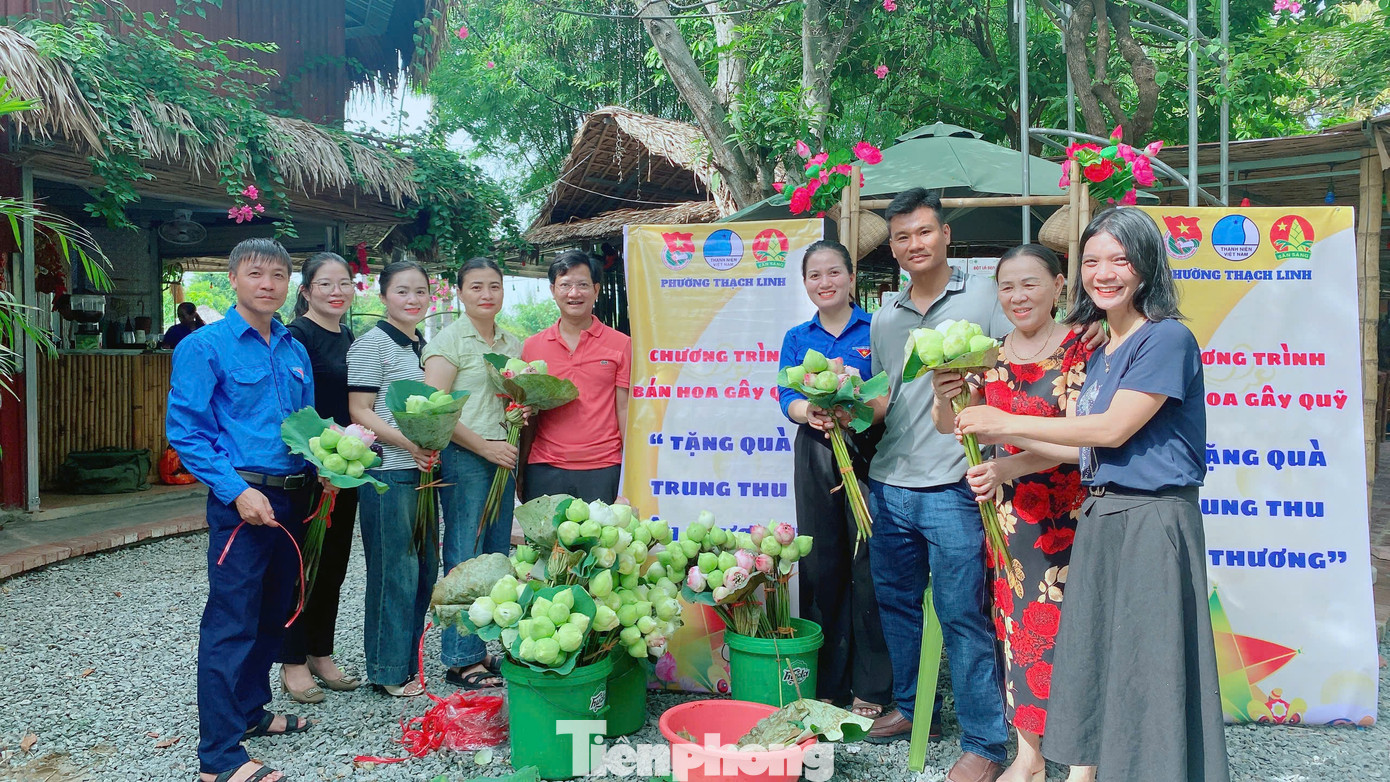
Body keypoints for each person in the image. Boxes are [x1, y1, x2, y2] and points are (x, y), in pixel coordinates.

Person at [955, 208, 1229, 782]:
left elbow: (1109, 432)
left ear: (1147, 264)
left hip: (1154, 518)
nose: (1104, 273)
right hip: (1103, 512)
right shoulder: (1105, 349)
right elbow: (1080, 449)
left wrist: (1003, 424)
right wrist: (1007, 464)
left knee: (1150, 664)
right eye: (1094, 261)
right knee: (1106, 658)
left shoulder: (1166, 338)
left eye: (1120, 259)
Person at [861, 188, 1016, 782]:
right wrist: (836, 408)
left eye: (923, 232)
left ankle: (984, 742)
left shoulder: (986, 296)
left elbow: (1015, 370)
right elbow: (888, 399)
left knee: (962, 615)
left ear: (945, 234)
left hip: (956, 483)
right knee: (896, 607)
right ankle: (908, 705)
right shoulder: (884, 315)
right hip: (890, 481)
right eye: (901, 237)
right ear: (893, 247)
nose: (913, 244)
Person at [930, 244, 1090, 782]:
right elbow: (956, 425)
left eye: (1030, 284)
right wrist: (941, 392)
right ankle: (1031, 756)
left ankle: (1085, 762)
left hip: (1070, 522)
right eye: (1007, 287)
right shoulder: (988, 354)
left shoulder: (1080, 350)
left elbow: (1083, 443)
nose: (1018, 297)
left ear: (1059, 285)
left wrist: (1007, 467)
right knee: (1017, 633)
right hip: (1009, 524)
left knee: (1080, 635)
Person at [167, 238, 322, 782]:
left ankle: (251, 712)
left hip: (293, 494)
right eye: (256, 274)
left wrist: (328, 460)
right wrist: (235, 491)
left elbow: (307, 425)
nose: (268, 284)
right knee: (230, 623)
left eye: (279, 276)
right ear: (232, 278)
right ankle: (218, 759)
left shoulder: (293, 346)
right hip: (243, 501)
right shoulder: (204, 346)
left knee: (271, 613)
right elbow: (186, 431)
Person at [776, 239, 894, 726]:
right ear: (805, 284)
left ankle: (872, 685)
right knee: (822, 564)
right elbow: (785, 394)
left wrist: (855, 410)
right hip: (817, 452)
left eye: (833, 273)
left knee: (869, 564)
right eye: (814, 276)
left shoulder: (877, 328)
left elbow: (888, 388)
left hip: (867, 451)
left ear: (850, 277)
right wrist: (812, 411)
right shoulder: (797, 336)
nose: (824, 283)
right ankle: (826, 681)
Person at [422, 256, 522, 689]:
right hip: (467, 457)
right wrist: (485, 447)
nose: (486, 294)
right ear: (459, 293)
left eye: (494, 286)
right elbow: (433, 410)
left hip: (503, 456)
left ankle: (486, 646)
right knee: (465, 555)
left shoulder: (512, 343)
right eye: (476, 286)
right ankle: (461, 658)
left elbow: (515, 396)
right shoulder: (450, 341)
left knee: (497, 554)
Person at [347, 260, 439, 698]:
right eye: (403, 291)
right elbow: (360, 411)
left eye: (420, 291)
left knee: (424, 570)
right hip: (386, 473)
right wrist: (408, 444)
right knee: (393, 572)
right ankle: (386, 670)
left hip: (421, 472)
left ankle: (405, 661)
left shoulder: (423, 345)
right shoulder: (371, 346)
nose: (413, 299)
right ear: (383, 297)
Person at [277, 252, 362, 704]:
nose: (336, 291)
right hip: (308, 469)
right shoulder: (295, 338)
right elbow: (293, 410)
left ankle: (320, 652)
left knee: (333, 564)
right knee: (301, 567)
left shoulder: (349, 336)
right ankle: (292, 660)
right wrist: (318, 464)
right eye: (325, 284)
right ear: (306, 291)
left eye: (344, 283)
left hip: (345, 469)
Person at [518, 250, 630, 503]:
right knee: (543, 544)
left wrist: (630, 471)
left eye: (582, 285)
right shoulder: (532, 347)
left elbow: (624, 409)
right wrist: (522, 468)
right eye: (565, 285)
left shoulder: (621, 344)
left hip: (603, 467)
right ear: (552, 290)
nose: (574, 293)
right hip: (545, 467)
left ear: (596, 289)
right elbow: (529, 414)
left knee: (602, 542)